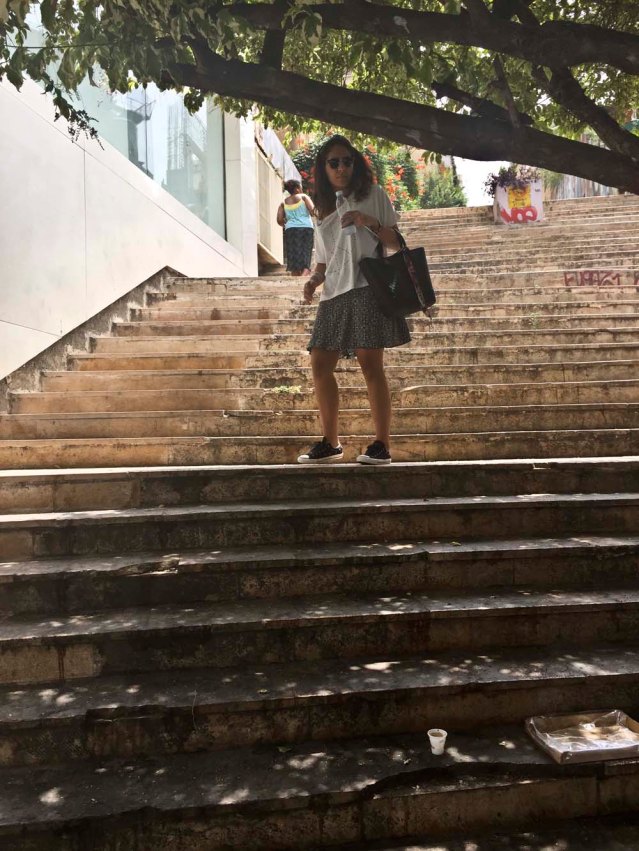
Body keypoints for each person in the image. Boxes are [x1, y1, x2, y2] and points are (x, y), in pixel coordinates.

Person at [297, 134, 411, 466]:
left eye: (347, 161)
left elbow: (396, 243)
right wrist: (314, 281)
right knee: (320, 364)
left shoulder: (372, 195)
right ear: (323, 168)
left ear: (355, 163)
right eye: (334, 162)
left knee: (369, 362)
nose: (341, 167)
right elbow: (323, 259)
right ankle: (331, 443)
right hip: (334, 292)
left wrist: (368, 222)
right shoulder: (322, 207)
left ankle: (382, 445)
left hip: (366, 286)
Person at [277, 179, 315, 276]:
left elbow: (279, 220)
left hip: (290, 230)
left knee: (294, 253)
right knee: (305, 251)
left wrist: (288, 223)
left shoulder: (283, 203)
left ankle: (296, 276)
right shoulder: (303, 197)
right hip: (306, 228)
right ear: (297, 189)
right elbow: (313, 211)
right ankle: (304, 274)